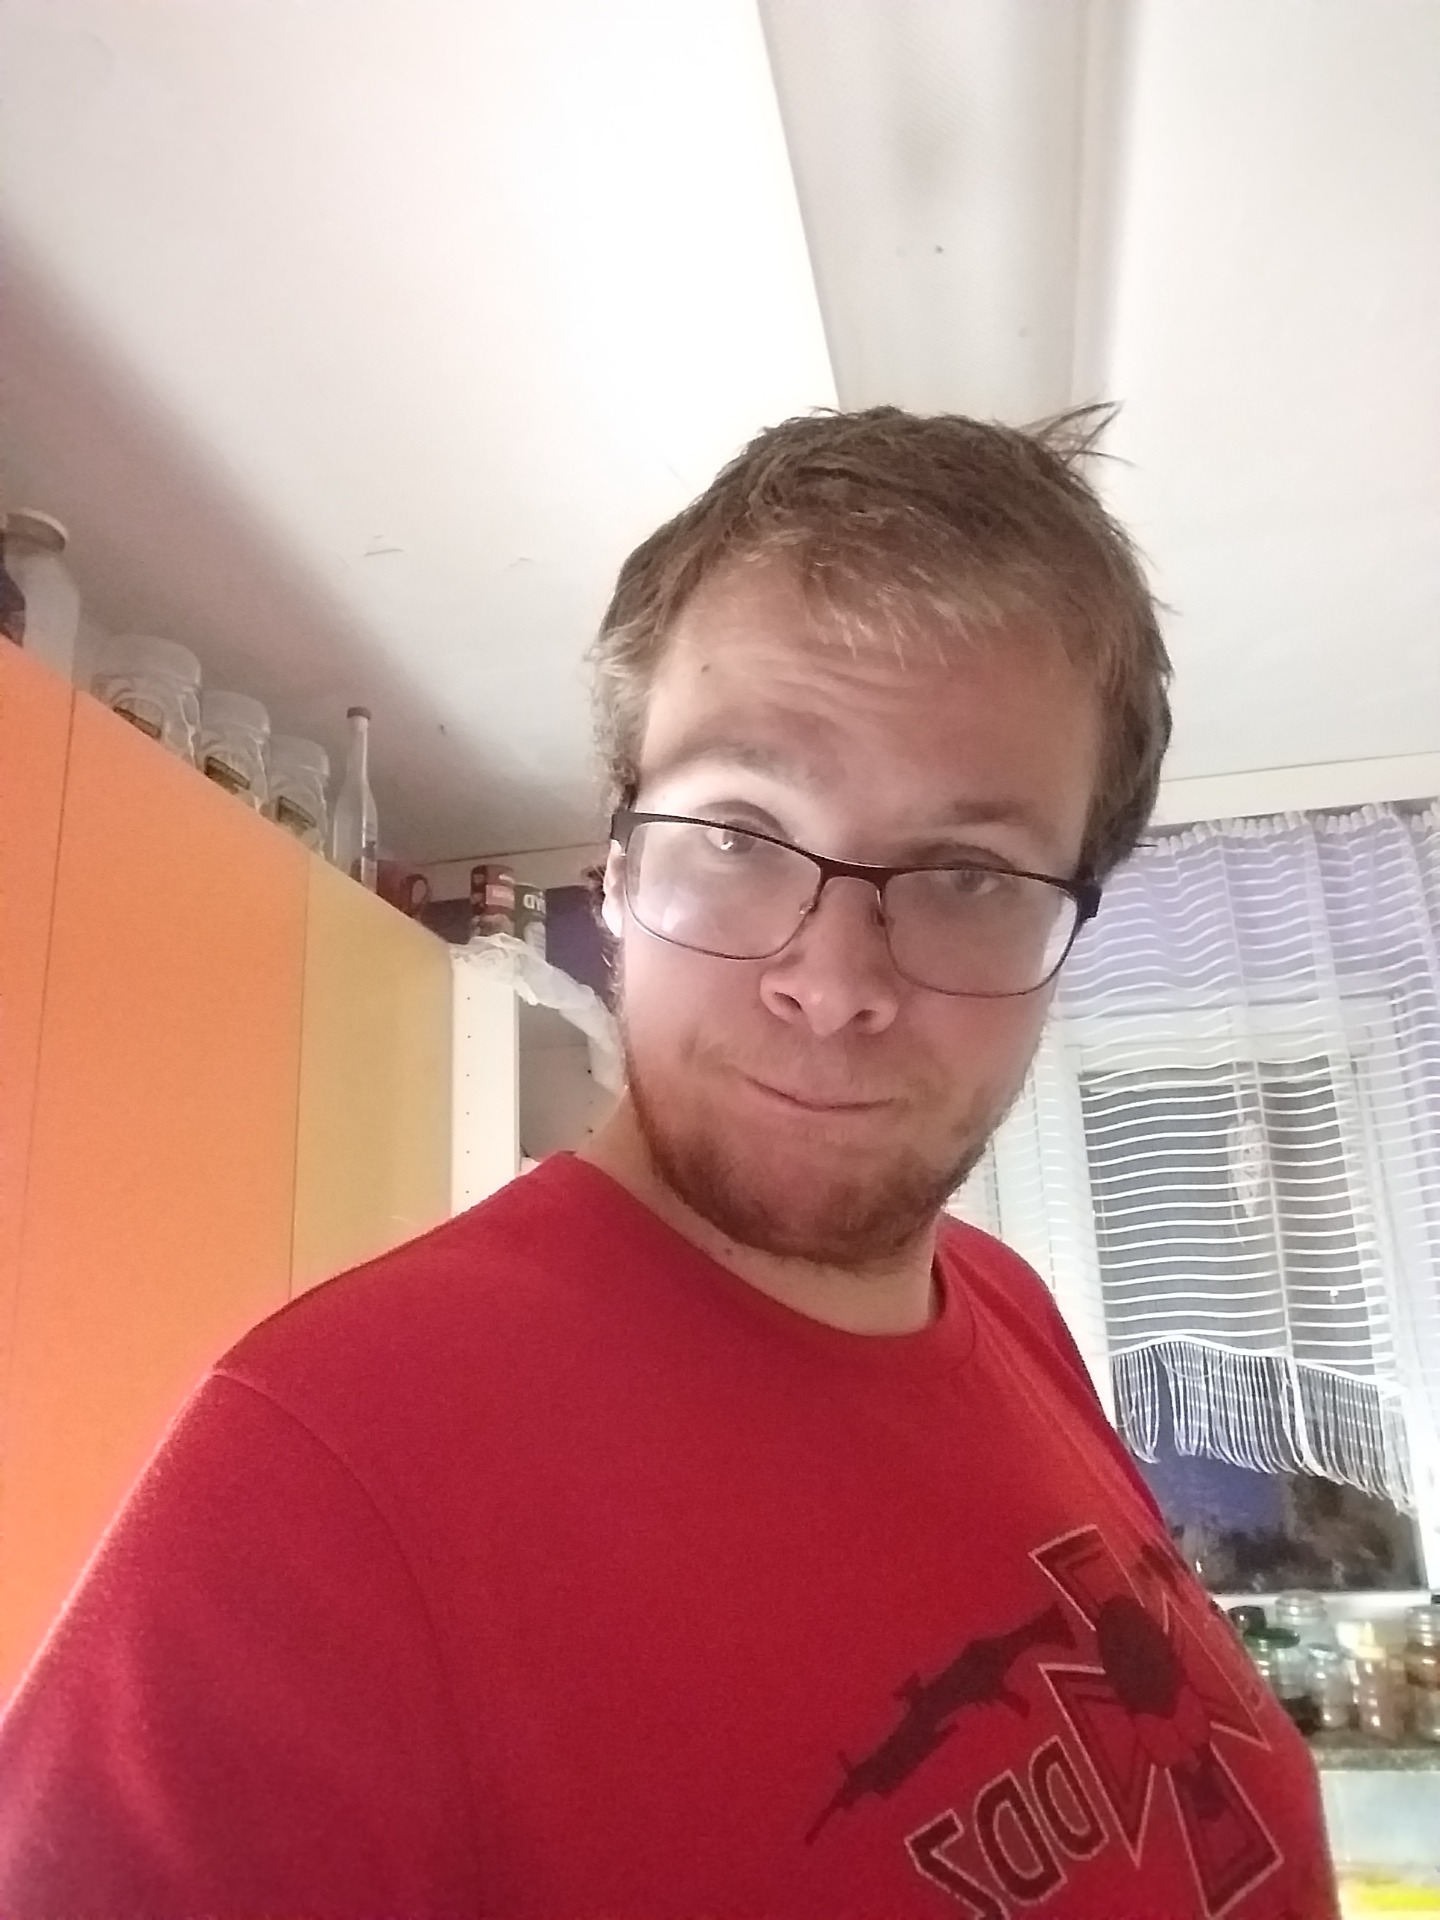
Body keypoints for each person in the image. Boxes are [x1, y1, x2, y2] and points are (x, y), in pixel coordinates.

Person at [0, 407, 1337, 1917]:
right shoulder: (317, 1481)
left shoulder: (1008, 1306)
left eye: (967, 873)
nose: (832, 982)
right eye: (743, 832)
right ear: (621, 864)